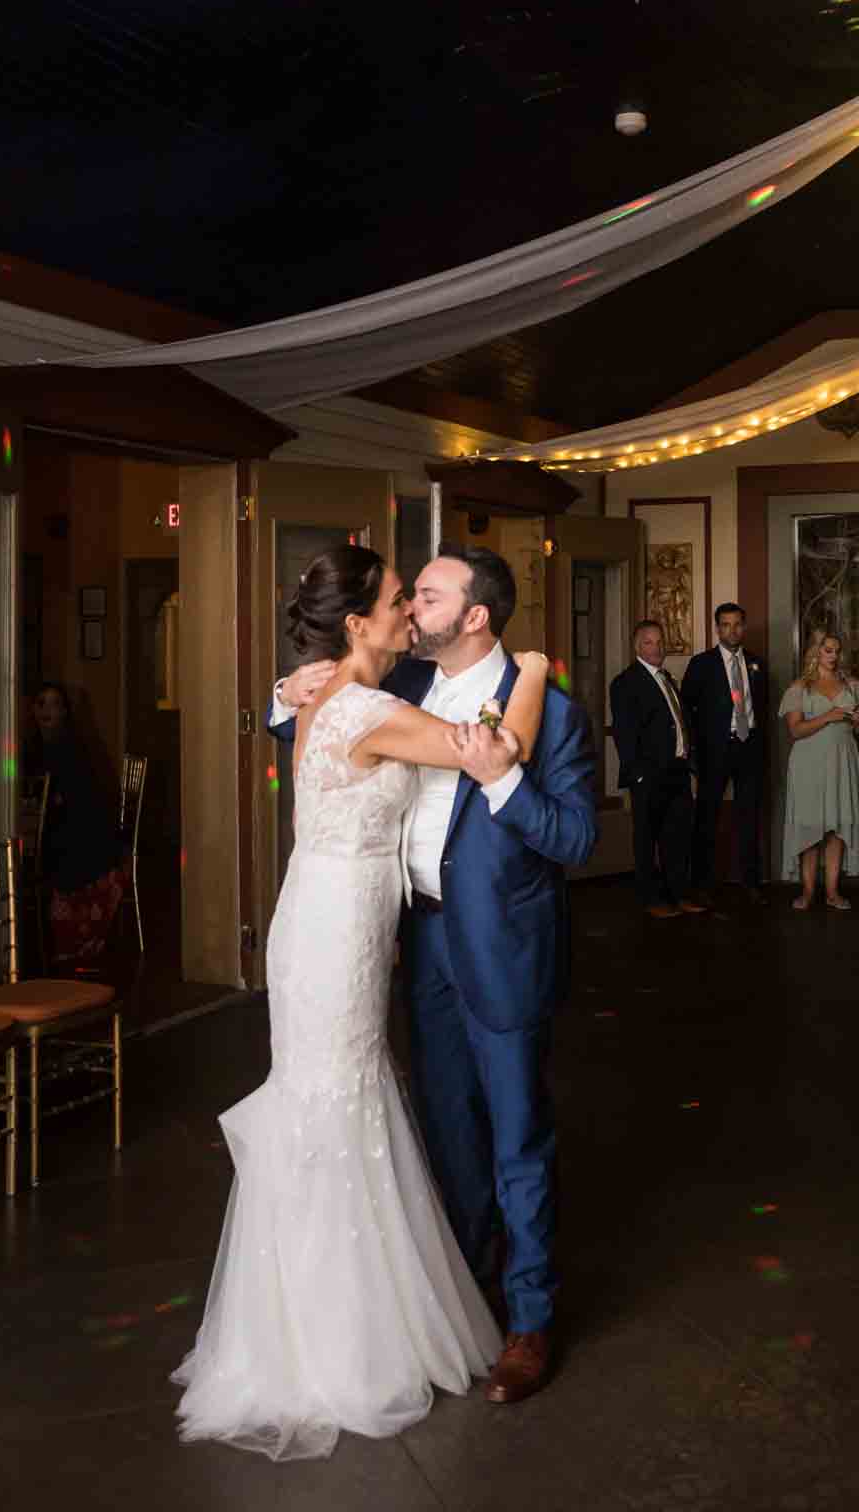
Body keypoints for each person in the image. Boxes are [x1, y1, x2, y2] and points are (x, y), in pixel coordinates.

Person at [174, 545, 556, 1458]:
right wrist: (537, 668)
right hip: (338, 930)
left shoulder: (329, 697)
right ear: (358, 624)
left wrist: (287, 688)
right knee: (340, 1106)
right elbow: (496, 752)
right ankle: (339, 1345)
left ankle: (311, 1320)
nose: (408, 613)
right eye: (395, 600)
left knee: (336, 1102)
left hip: (327, 923)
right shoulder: (370, 707)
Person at [263, 543, 595, 1412]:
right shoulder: (396, 687)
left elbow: (575, 839)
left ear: (472, 615)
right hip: (413, 943)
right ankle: (465, 1298)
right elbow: (311, 723)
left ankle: (528, 1322)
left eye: (429, 594)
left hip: (502, 946)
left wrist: (505, 784)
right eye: (405, 595)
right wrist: (283, 690)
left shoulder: (553, 713)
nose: (413, 604)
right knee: (445, 1130)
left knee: (517, 1136)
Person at [609, 621, 707, 920]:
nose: (658, 647)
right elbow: (624, 733)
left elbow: (679, 724)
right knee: (646, 838)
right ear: (638, 647)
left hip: (677, 771)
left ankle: (678, 894)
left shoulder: (666, 678)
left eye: (660, 641)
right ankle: (650, 898)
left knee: (677, 837)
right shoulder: (626, 682)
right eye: (650, 642)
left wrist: (690, 765)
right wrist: (638, 774)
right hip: (648, 776)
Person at [22, 681, 124, 964]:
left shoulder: (73, 748)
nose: (47, 711)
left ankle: (67, 941)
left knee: (56, 852)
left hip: (80, 831)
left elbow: (80, 800)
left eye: (54, 704)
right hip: (49, 828)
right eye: (41, 703)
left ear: (65, 711)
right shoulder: (32, 749)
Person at [681, 602, 768, 904]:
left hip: (749, 749)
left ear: (744, 627)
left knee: (749, 817)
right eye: (726, 625)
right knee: (707, 817)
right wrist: (694, 752)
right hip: (714, 750)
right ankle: (702, 883)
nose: (732, 630)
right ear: (717, 628)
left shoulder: (758, 663)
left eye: (737, 624)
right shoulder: (701, 664)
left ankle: (751, 881)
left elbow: (763, 709)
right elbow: (686, 711)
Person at [779, 630, 859, 911]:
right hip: (808, 762)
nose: (833, 655)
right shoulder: (799, 687)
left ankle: (832, 892)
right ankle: (807, 892)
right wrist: (829, 716)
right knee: (810, 825)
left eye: (837, 650)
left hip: (843, 759)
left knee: (837, 828)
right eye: (828, 650)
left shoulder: (852, 684)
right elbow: (795, 730)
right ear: (816, 652)